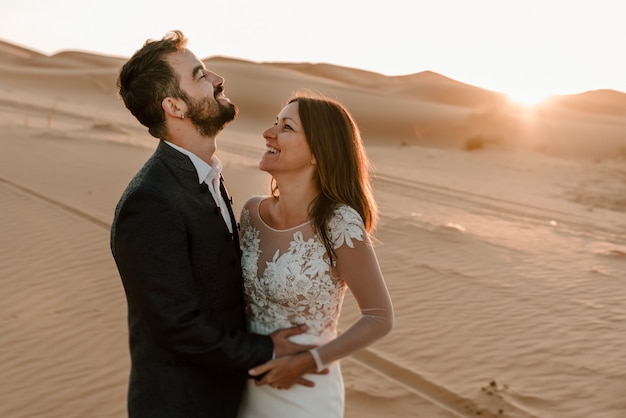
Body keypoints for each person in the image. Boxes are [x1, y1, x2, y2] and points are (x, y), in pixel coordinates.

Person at [110, 30, 315, 418]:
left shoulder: (202, 176)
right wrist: (270, 350)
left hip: (225, 397)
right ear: (175, 106)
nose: (219, 80)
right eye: (201, 75)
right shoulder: (150, 201)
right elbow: (177, 327)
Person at [237, 93, 394, 417]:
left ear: (318, 153)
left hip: (305, 388)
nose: (269, 132)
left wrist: (308, 361)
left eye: (287, 127)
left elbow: (379, 317)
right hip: (246, 376)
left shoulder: (339, 222)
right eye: (274, 122)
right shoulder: (251, 213)